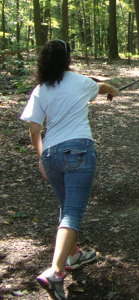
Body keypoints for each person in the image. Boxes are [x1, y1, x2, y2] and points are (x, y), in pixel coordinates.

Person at [20, 40, 118, 300]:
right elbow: (101, 86)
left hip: (51, 154)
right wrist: (113, 90)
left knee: (66, 207)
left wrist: (41, 158)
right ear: (68, 59)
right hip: (78, 150)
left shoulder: (41, 89)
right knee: (73, 212)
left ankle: (73, 254)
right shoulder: (79, 81)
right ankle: (55, 270)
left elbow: (34, 129)